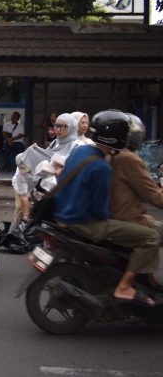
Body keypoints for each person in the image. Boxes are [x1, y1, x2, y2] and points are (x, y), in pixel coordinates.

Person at [54, 110, 160, 304]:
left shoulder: (81, 151)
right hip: (85, 223)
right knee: (151, 236)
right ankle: (124, 286)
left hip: (64, 216)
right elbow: (99, 209)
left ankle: (145, 280)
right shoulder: (103, 166)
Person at [109, 114, 163, 245]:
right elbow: (156, 198)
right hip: (126, 218)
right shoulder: (129, 159)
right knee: (155, 234)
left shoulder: (110, 152)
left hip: (113, 216)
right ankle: (141, 266)